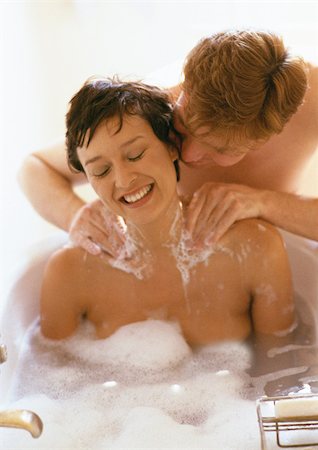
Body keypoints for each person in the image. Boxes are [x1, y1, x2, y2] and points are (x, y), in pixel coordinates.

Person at [18, 30, 318, 259]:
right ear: (184, 86)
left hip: (275, 258)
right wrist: (75, 217)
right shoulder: (151, 109)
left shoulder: (312, 101)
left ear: (266, 137)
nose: (186, 154)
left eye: (221, 150)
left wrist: (263, 202)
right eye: (184, 127)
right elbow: (35, 167)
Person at [40, 77, 295, 345]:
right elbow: (49, 378)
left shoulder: (257, 248)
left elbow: (282, 365)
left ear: (172, 145)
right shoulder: (69, 274)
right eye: (101, 171)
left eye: (135, 154)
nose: (124, 181)